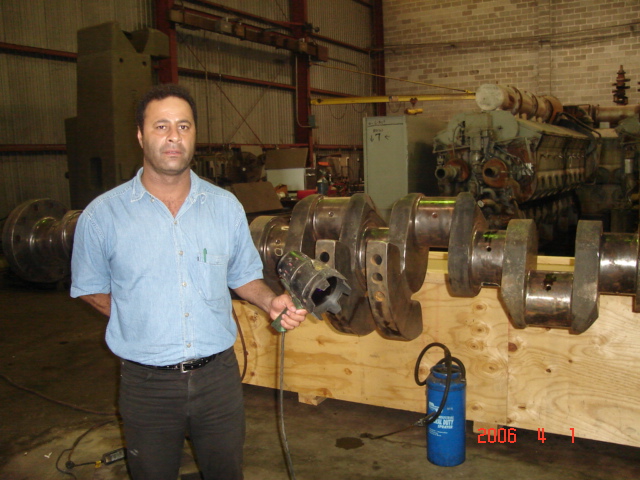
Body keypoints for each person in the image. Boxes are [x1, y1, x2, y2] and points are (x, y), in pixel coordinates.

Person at [70, 83, 307, 480]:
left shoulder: (225, 207)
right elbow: (90, 287)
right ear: (140, 135)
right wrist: (137, 316)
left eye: (183, 126)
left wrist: (271, 302)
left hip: (218, 380)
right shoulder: (103, 216)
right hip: (147, 384)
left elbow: (243, 275)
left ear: (194, 134)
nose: (173, 137)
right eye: (161, 126)